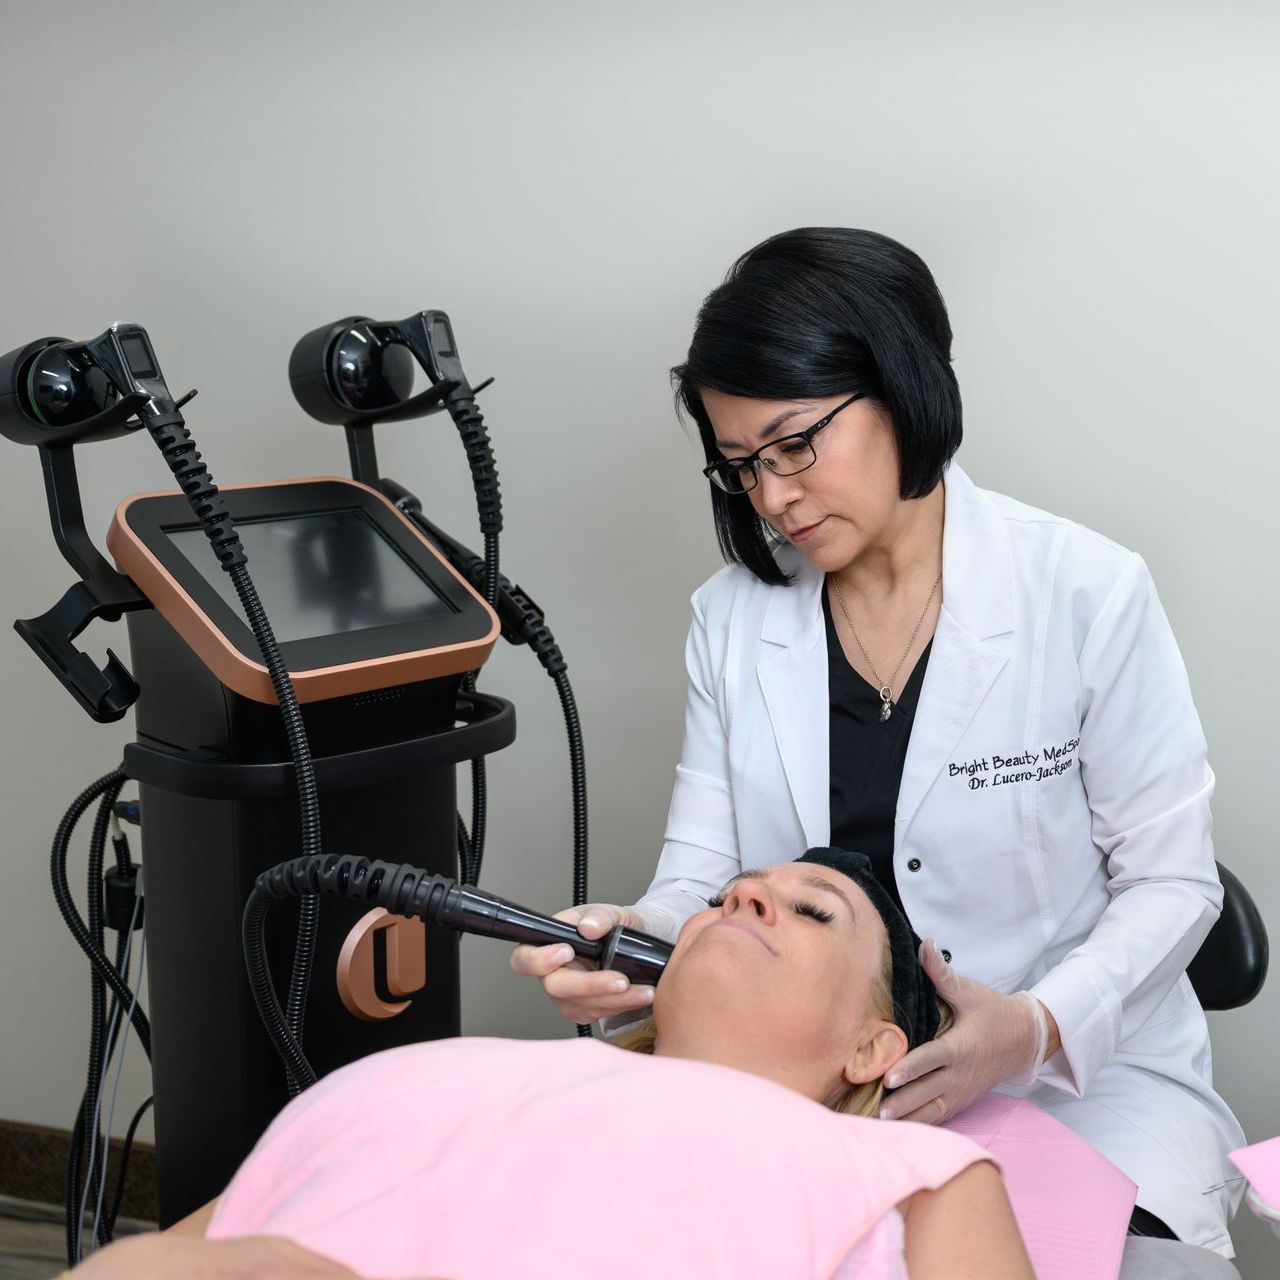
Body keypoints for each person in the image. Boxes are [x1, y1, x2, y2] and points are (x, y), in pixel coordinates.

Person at [511, 227, 1246, 1261]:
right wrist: (632, 938)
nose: (770, 496)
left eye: (793, 445)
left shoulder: (1082, 592)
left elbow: (1173, 884)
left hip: (1078, 1095)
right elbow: (696, 879)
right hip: (816, 1092)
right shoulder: (730, 621)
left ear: (901, 387)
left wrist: (1031, 1027)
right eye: (739, 467)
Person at [62, 850, 1033, 1280]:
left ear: (873, 1047)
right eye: (728, 891)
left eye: (811, 907)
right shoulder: (427, 1067)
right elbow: (206, 1242)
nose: (744, 894)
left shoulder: (905, 1170)